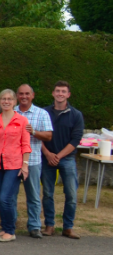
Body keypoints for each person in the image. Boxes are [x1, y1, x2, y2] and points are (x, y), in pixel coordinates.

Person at [0, 89, 32, 242]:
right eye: (3, 99)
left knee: (6, 197)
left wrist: (25, 165)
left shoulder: (22, 121)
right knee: (1, 198)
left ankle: (10, 231)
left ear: (14, 102)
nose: (6, 101)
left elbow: (26, 145)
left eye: (9, 99)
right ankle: (4, 228)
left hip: (14, 165)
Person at [41, 80, 84, 239]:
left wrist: (58, 156)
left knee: (71, 194)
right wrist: (47, 154)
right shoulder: (44, 113)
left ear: (68, 95)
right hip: (47, 158)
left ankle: (68, 227)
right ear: (53, 93)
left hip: (67, 159)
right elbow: (38, 137)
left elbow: (75, 141)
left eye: (63, 91)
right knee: (47, 193)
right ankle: (49, 225)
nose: (60, 94)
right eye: (57, 91)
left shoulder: (76, 115)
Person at [15, 84, 54, 238]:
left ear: (33, 95)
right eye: (21, 94)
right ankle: (10, 225)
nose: (24, 97)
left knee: (33, 195)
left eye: (27, 94)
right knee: (10, 196)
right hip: (13, 160)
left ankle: (34, 226)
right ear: (17, 95)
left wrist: (34, 132)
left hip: (33, 161)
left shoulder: (41, 113)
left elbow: (49, 136)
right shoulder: (11, 111)